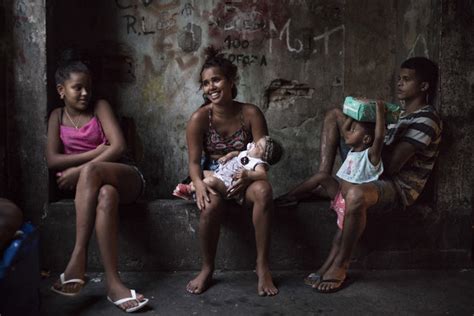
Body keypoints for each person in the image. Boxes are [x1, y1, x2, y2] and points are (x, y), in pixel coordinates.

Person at [278, 57, 442, 293]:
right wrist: (360, 116)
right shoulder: (400, 115)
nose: (399, 83)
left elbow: (392, 166)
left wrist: (373, 133)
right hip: (372, 168)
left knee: (354, 195)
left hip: (395, 185)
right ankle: (323, 178)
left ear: (424, 87)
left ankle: (341, 265)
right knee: (335, 114)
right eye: (399, 78)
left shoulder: (427, 119)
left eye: (406, 80)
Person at [46, 51, 149, 312]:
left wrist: (79, 169)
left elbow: (118, 147)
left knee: (93, 173)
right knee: (106, 195)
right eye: (77, 88)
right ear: (61, 90)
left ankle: (78, 258)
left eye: (88, 88)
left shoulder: (100, 107)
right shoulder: (56, 117)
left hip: (126, 176)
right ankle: (114, 285)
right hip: (98, 188)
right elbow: (53, 161)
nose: (84, 93)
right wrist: (93, 156)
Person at [185, 46, 279, 296]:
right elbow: (194, 163)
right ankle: (207, 268)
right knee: (210, 205)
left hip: (245, 175)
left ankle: (262, 265)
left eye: (216, 79)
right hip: (212, 174)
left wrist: (248, 176)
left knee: (264, 191)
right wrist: (200, 183)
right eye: (205, 83)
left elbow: (263, 156)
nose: (211, 87)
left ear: (230, 81)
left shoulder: (250, 113)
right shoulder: (199, 119)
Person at [173, 136, 283, 202]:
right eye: (257, 143)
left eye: (259, 146)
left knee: (211, 181)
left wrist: (248, 174)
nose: (254, 145)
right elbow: (237, 153)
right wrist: (227, 156)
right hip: (220, 173)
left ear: (264, 156)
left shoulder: (258, 163)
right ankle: (193, 188)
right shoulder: (249, 153)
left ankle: (189, 190)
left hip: (228, 184)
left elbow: (263, 175)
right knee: (203, 173)